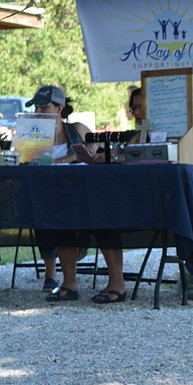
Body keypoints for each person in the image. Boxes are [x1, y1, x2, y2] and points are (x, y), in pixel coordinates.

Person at [23, 85, 128, 305]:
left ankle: (117, 283)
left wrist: (86, 154)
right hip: (54, 197)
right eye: (36, 108)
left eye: (44, 107)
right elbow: (27, 164)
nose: (39, 113)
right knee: (60, 219)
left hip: (88, 194)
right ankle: (69, 284)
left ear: (60, 107)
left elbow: (100, 152)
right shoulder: (33, 135)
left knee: (103, 219)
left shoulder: (77, 129)